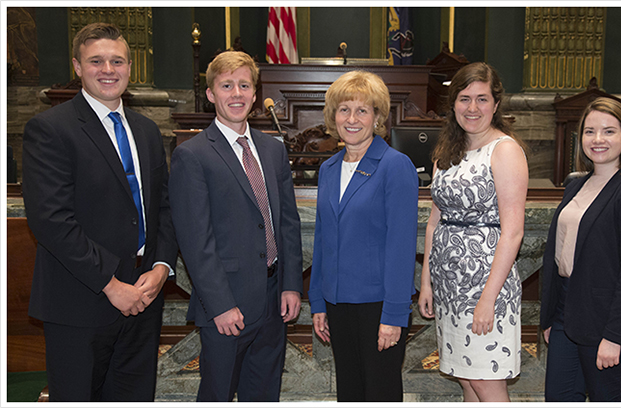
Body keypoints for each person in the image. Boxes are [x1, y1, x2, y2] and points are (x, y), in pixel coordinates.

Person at [22, 22, 178, 401]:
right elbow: (51, 222)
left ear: (129, 67)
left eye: (117, 61)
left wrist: (160, 268)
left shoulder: (147, 131)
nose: (108, 69)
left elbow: (164, 208)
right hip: (82, 301)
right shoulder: (50, 129)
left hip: (143, 296)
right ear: (77, 66)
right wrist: (111, 285)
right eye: (96, 61)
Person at [168, 50, 302, 402]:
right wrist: (220, 305)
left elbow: (287, 221)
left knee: (264, 394)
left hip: (274, 302)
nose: (237, 94)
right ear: (211, 93)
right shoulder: (193, 154)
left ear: (255, 94)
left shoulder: (273, 150)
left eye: (244, 85)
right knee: (218, 393)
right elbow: (196, 240)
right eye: (227, 85)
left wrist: (290, 285)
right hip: (228, 306)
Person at [417, 62, 528, 402]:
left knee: (486, 381)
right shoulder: (446, 153)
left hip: (485, 287)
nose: (473, 108)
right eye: (465, 99)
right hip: (449, 286)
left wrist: (487, 299)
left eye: (482, 99)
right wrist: (426, 282)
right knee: (466, 379)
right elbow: (435, 221)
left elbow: (513, 232)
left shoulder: (505, 150)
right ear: (453, 104)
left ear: (496, 103)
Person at [308, 70, 419, 402]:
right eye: (344, 109)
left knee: (380, 394)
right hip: (337, 303)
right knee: (350, 393)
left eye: (362, 110)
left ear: (377, 117)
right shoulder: (328, 169)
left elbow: (401, 247)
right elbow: (322, 240)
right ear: (333, 116)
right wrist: (317, 302)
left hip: (378, 306)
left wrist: (395, 315)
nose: (352, 119)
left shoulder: (395, 166)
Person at [540, 97, 621, 402]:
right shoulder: (576, 186)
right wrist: (551, 317)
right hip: (567, 316)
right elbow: (560, 254)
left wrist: (614, 338)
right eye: (590, 131)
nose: (598, 139)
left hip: (608, 325)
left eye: (608, 131)